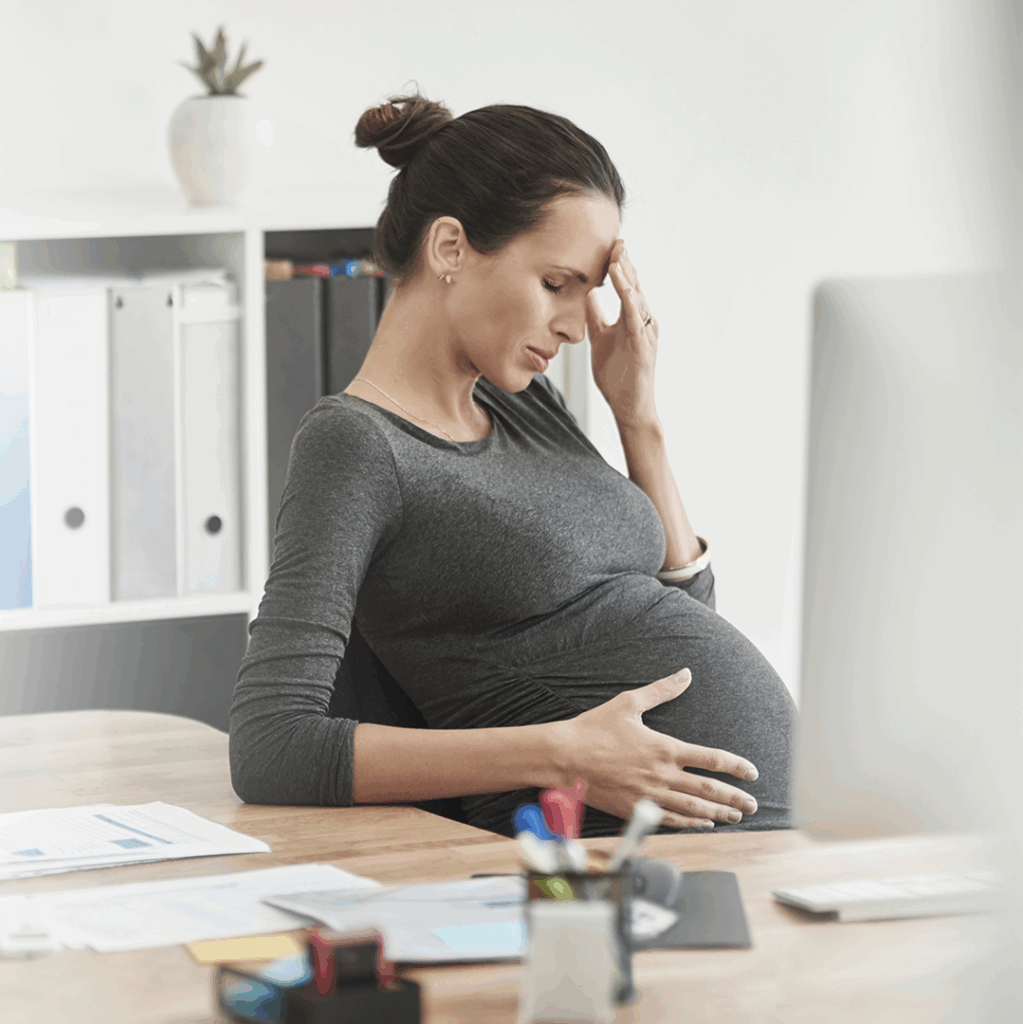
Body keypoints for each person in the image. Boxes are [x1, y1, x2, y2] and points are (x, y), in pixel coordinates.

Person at [229, 90, 797, 838]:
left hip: (754, 845)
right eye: (556, 284)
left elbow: (689, 628)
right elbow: (271, 745)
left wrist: (639, 419)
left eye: (586, 293)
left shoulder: (525, 403)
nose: (571, 324)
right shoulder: (357, 445)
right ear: (450, 249)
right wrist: (561, 753)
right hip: (600, 867)